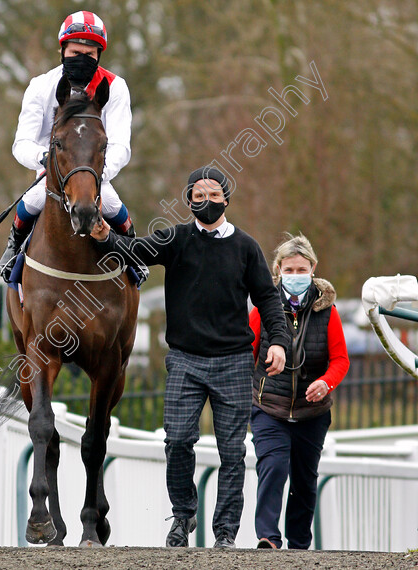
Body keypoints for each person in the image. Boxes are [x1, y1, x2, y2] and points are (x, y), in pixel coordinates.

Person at [90, 166, 291, 548]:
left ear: (227, 199)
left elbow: (267, 298)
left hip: (233, 359)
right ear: (188, 201)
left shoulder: (246, 247)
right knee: (178, 441)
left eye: (214, 194)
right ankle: (182, 516)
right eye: (198, 195)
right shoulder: (177, 239)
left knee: (232, 452)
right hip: (184, 358)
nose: (207, 201)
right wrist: (104, 236)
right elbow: (136, 250)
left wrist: (277, 341)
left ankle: (226, 533)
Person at [0, 10, 135, 282]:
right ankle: (13, 249)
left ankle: (133, 256)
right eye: (75, 53)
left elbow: (121, 145)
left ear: (99, 55)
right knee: (33, 200)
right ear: (62, 50)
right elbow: (21, 142)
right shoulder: (40, 86)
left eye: (90, 54)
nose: (82, 60)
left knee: (112, 204)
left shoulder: (115, 87)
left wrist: (98, 174)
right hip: (53, 171)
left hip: (95, 173)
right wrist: (45, 158)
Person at [249, 233, 350, 550]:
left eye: (301, 270)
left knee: (305, 482)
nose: (295, 276)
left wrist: (327, 383)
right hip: (269, 408)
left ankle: (299, 546)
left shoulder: (328, 312)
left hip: (312, 414)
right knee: (273, 467)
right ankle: (268, 537)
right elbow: (244, 354)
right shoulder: (262, 310)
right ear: (278, 270)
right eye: (289, 270)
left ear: (313, 268)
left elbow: (341, 359)